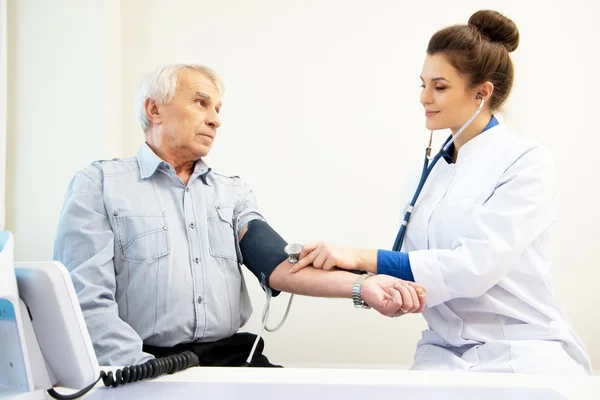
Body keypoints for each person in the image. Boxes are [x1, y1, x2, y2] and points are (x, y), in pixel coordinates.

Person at [53, 64, 426, 367]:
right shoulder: (99, 185)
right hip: (145, 362)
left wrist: (363, 286)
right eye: (201, 103)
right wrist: (141, 371)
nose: (215, 120)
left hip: (229, 358)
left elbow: (280, 265)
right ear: (154, 110)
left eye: (217, 109)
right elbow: (85, 301)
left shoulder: (232, 194)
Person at [290, 10, 591, 375]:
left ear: (481, 93)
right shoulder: (426, 174)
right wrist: (344, 268)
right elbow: (420, 268)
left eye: (440, 86)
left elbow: (473, 268)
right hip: (444, 350)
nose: (424, 97)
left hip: (521, 349)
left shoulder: (525, 162)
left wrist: (358, 256)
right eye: (422, 84)